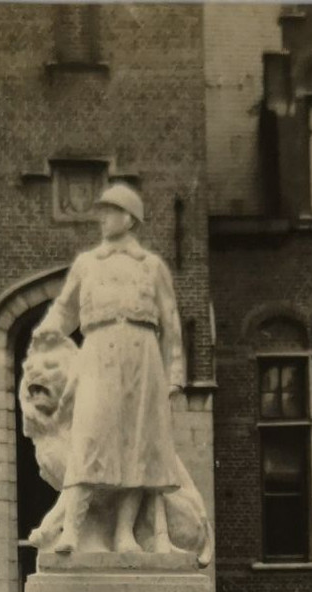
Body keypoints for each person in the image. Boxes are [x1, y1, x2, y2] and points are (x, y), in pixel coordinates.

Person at [31, 182, 185, 554]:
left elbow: (171, 320)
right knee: (90, 435)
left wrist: (175, 371)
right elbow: (65, 309)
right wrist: (47, 329)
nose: (101, 218)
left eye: (109, 212)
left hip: (142, 354)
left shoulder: (152, 267)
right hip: (98, 351)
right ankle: (71, 531)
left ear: (129, 218)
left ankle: (124, 534)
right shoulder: (87, 264)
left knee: (139, 445)